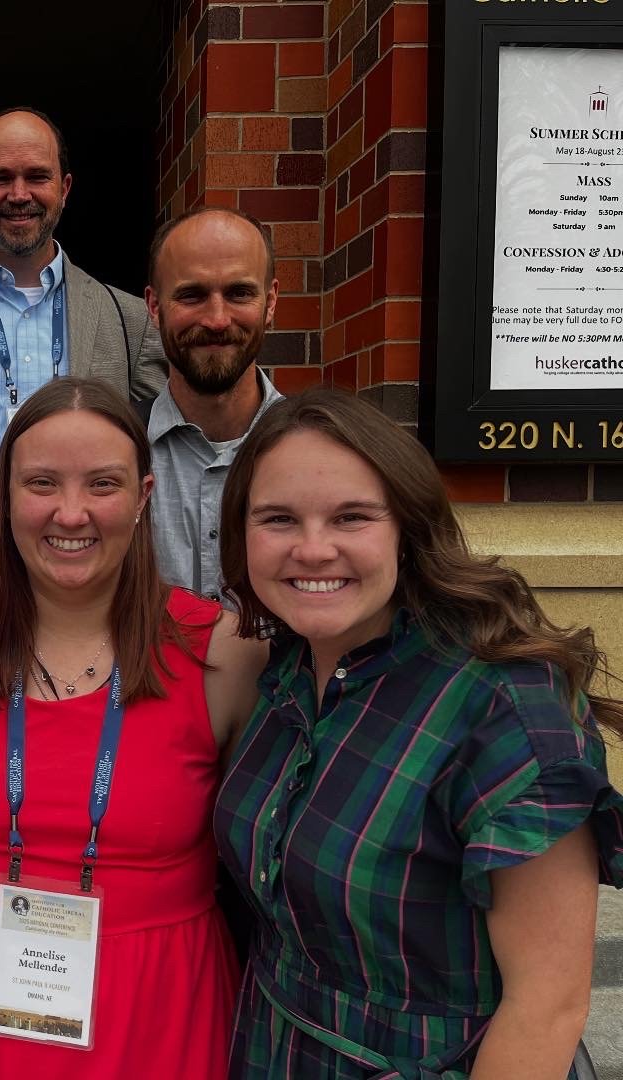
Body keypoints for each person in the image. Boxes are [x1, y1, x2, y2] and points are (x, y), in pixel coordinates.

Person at [214, 387, 623, 1078]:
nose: (313, 549)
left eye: (351, 517)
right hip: (270, 1048)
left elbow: (548, 1005)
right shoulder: (280, 672)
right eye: (278, 519)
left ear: (407, 526)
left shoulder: (505, 708)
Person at [0, 377, 267, 1077]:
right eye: (42, 483)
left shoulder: (223, 654)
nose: (72, 513)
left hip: (158, 1014)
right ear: (5, 498)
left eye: (103, 484)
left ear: (143, 498)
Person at [0, 107, 167, 455]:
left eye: (37, 177)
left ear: (64, 188)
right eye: (0, 178)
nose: (18, 195)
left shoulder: (131, 323)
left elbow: (157, 449)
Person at [144, 205, 283, 602]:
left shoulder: (320, 452)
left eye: (239, 293)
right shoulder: (117, 456)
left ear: (270, 301)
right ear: (154, 307)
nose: (218, 319)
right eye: (192, 295)